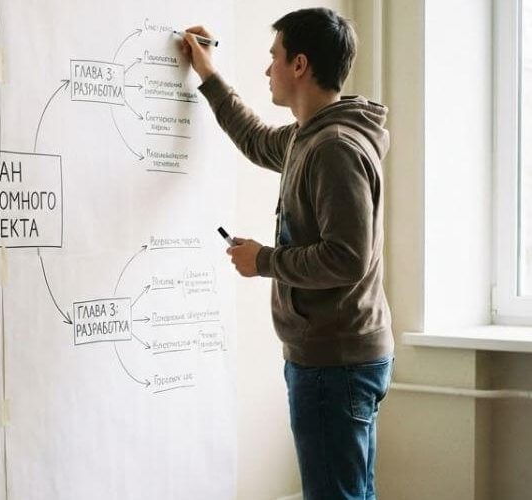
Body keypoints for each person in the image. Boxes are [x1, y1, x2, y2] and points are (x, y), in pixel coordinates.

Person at [182, 8, 394, 500]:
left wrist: (264, 261)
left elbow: (347, 258)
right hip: (338, 356)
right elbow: (256, 139)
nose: (267, 69)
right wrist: (208, 73)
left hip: (335, 362)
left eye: (273, 56)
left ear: (299, 65)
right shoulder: (309, 136)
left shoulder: (334, 147)